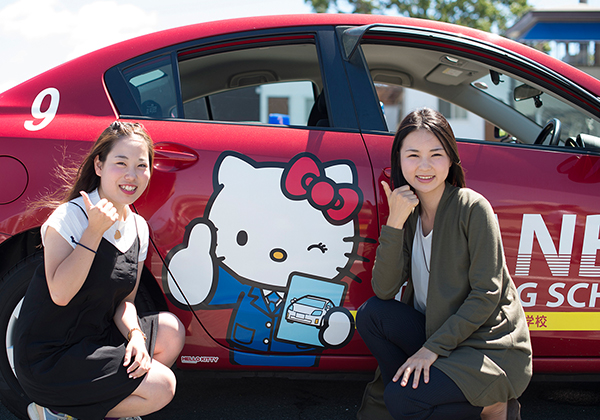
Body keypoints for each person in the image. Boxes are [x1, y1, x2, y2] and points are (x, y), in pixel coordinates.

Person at [355, 108, 532, 420]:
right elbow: (384, 290)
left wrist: (430, 350)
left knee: (402, 401)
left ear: (450, 159)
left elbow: (486, 294)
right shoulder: (408, 214)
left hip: (485, 347)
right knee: (372, 315)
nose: (424, 166)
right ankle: (421, 395)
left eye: (435, 154)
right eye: (413, 155)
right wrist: (394, 223)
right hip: (437, 333)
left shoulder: (472, 208)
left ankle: (493, 404)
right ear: (399, 160)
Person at [15, 121, 185, 420]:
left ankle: (106, 405)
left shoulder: (138, 227)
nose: (131, 175)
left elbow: (125, 302)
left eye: (141, 166)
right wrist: (92, 234)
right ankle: (56, 411)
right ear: (99, 165)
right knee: (162, 387)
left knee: (170, 332)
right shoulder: (70, 217)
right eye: (121, 163)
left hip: (96, 337)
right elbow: (61, 294)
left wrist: (135, 337)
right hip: (52, 354)